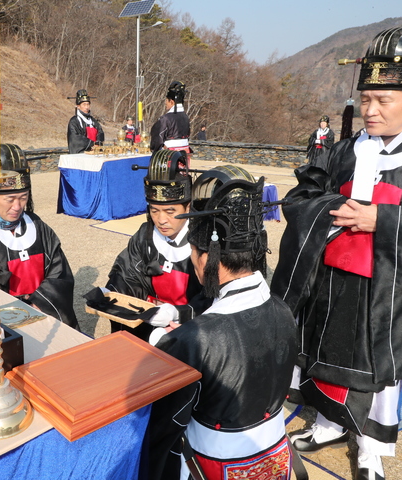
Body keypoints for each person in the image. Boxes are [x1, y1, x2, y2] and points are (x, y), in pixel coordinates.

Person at [271, 27, 402, 480]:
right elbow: (300, 199)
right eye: (367, 98)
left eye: (384, 101)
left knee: (377, 375)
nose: (370, 111)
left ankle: (370, 447)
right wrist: (333, 208)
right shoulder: (342, 151)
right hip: (329, 282)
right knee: (318, 352)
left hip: (389, 292)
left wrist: (385, 220)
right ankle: (324, 424)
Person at [145, 167, 297, 480]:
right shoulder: (284, 311)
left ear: (206, 256)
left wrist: (163, 345)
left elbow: (163, 427)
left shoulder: (193, 341)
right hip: (275, 460)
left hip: (213, 465)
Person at [0, 144, 79, 329]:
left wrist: (40, 303)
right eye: (9, 199)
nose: (18, 206)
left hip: (44, 313)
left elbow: (59, 272)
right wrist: (14, 311)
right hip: (3, 322)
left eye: (23, 197)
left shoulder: (36, 225)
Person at [104, 150, 204, 338]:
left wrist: (177, 313)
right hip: (149, 320)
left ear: (188, 206)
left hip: (189, 327)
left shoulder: (202, 241)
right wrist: (113, 293)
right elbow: (128, 274)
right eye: (155, 210)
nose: (161, 220)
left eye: (170, 211)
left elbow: (211, 297)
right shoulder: (146, 234)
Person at [150, 81, 191, 154]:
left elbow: (158, 139)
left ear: (171, 102)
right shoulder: (185, 117)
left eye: (167, 101)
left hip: (170, 154)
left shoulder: (165, 119)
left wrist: (153, 149)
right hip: (185, 152)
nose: (165, 103)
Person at [67, 89, 104, 154]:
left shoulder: (93, 121)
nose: (86, 107)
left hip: (94, 152)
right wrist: (92, 144)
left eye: (88, 104)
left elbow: (100, 132)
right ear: (78, 106)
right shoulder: (74, 121)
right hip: (81, 154)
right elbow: (75, 139)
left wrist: (98, 143)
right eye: (84, 104)